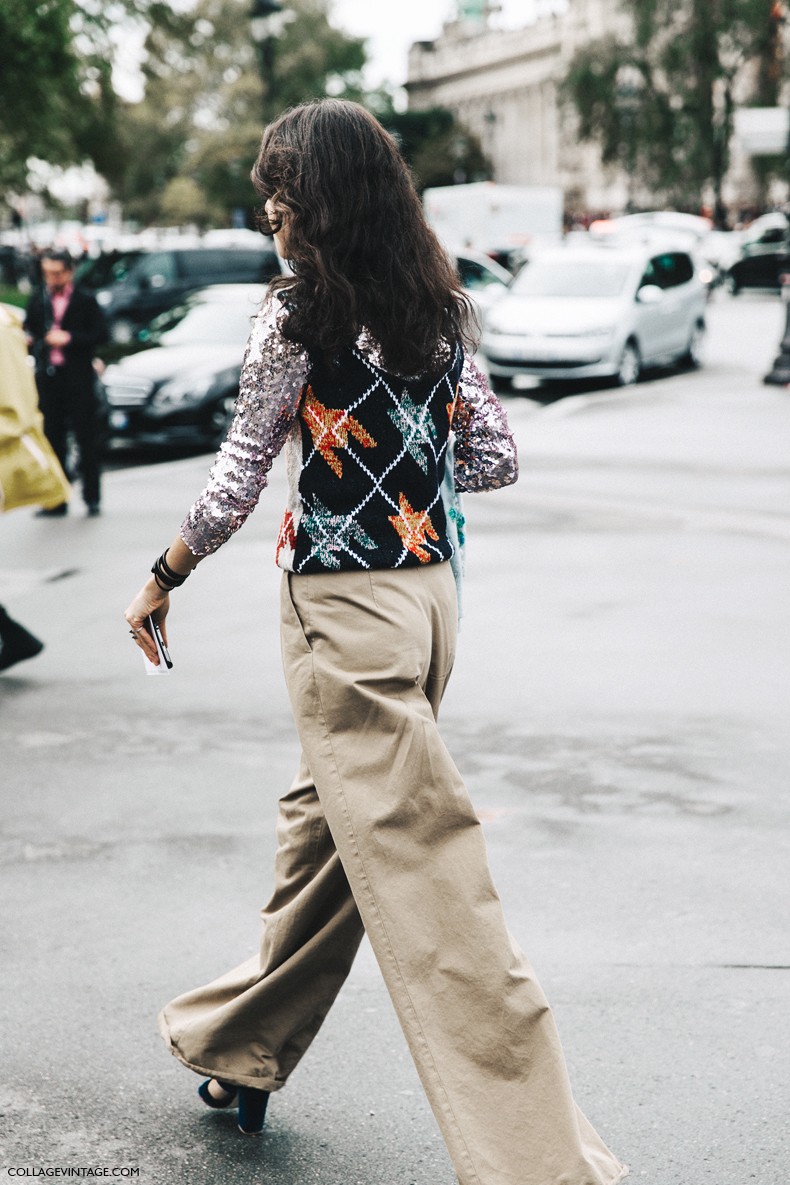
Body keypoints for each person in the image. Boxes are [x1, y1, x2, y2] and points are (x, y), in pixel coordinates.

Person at [124, 100, 627, 1185]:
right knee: (326, 829)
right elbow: (493, 461)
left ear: (318, 199)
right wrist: (410, 434)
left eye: (279, 187)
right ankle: (240, 1049)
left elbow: (235, 480)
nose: (268, 206)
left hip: (344, 608)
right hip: (432, 600)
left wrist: (163, 575)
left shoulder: (296, 314)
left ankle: (543, 1163)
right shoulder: (436, 306)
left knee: (428, 873)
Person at [24, 248, 108, 517]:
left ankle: (92, 497)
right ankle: (56, 499)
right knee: (52, 439)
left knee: (86, 438)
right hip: (49, 379)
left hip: (78, 377)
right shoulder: (39, 299)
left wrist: (69, 338)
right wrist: (30, 340)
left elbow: (100, 334)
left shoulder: (85, 300)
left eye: (57, 273)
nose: (52, 278)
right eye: (47, 273)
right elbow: (30, 330)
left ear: (70, 271)